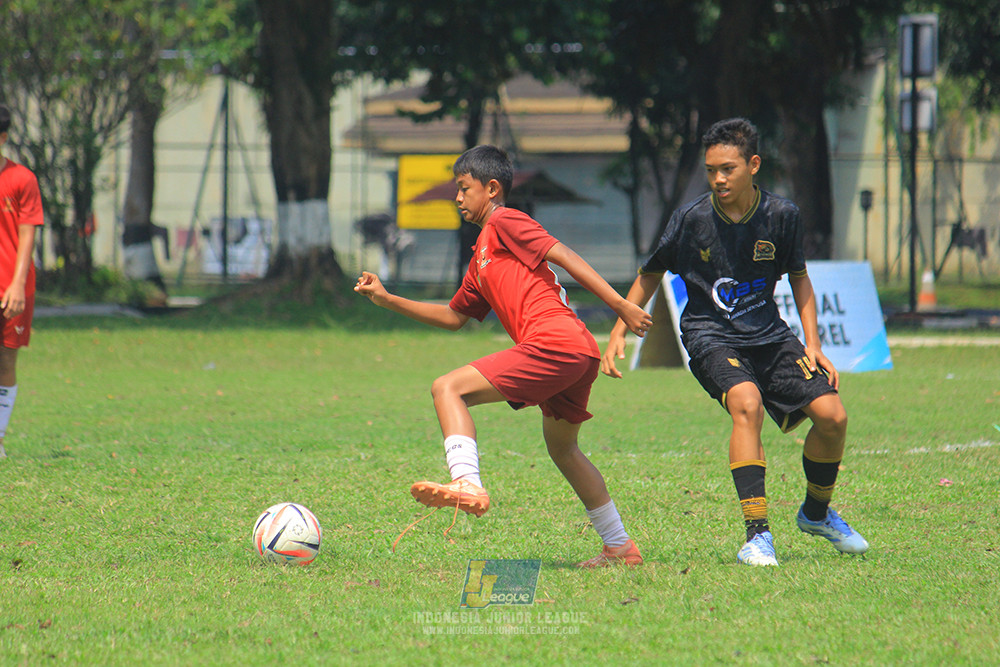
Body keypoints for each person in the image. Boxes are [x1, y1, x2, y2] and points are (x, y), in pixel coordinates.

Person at [355, 145, 653, 566]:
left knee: (447, 389)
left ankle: (467, 483)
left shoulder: (506, 221)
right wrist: (387, 299)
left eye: (464, 189)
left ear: (491, 188)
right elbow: (454, 315)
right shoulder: (481, 254)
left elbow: (562, 255)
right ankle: (620, 546)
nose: (457, 198)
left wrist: (620, 305)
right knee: (563, 450)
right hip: (577, 353)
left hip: (556, 343)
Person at [602, 118, 868, 566]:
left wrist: (814, 344)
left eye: (727, 168)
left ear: (754, 165)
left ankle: (816, 514)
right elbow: (650, 273)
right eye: (711, 170)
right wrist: (618, 329)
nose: (718, 179)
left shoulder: (782, 216)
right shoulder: (691, 219)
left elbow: (800, 279)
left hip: (768, 333)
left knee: (833, 416)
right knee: (747, 403)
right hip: (709, 334)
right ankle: (757, 537)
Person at [0, 104, 44, 459]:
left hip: (11, 285)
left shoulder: (21, 179)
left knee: (6, 359)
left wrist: (16, 286)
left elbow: (27, 235)